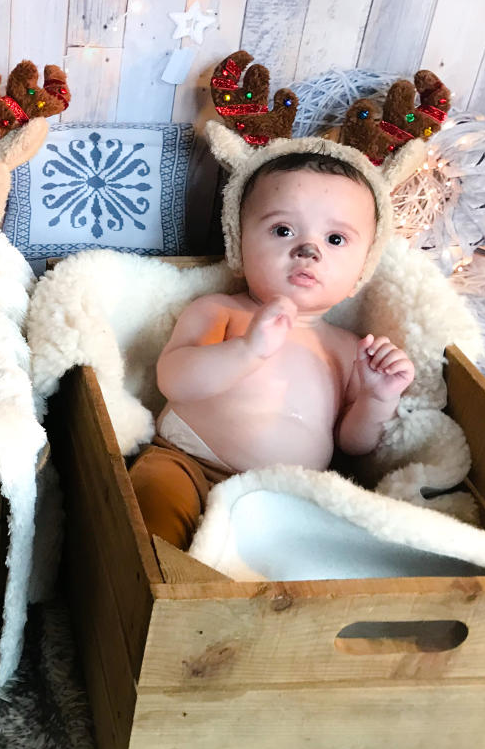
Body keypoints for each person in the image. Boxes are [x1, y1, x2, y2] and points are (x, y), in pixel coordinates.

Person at [129, 152, 415, 549]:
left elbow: (353, 443)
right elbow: (175, 381)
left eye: (335, 239)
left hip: (285, 498)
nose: (308, 250)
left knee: (315, 559)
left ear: (361, 270)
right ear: (239, 246)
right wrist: (248, 350)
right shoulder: (221, 312)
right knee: (151, 515)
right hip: (187, 465)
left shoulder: (348, 349)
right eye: (283, 230)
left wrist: (377, 398)